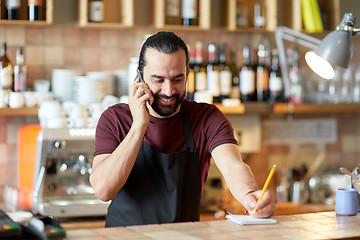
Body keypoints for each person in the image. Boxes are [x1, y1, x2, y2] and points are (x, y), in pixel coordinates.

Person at [90, 31, 276, 227]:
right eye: (158, 80)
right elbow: (103, 191)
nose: (169, 91)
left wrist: (250, 196)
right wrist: (139, 126)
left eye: (177, 79)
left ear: (188, 74)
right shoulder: (115, 119)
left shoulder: (207, 118)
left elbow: (233, 167)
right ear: (139, 76)